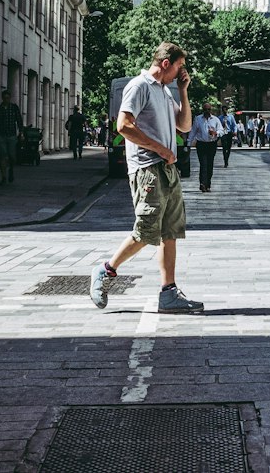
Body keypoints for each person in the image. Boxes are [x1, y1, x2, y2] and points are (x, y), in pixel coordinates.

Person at [89, 42, 202, 315]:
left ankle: (169, 293)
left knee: (170, 232)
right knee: (146, 231)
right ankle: (105, 271)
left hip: (167, 170)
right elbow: (124, 125)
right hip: (148, 169)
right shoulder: (139, 86)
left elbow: (184, 125)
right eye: (179, 67)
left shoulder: (164, 92)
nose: (181, 72)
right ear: (166, 64)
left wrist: (184, 92)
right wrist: (160, 148)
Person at [0, 89, 23, 186]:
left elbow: (19, 120)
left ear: (10, 98)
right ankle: (3, 176)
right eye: (4, 98)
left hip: (12, 135)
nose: (6, 99)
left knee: (12, 156)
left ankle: (11, 168)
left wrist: (21, 133)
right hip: (1, 136)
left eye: (8, 98)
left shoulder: (14, 108)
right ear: (2, 98)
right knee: (2, 156)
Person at [189, 101, 223, 191]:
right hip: (201, 144)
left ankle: (208, 184)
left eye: (208, 109)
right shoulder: (198, 119)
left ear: (211, 110)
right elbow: (193, 131)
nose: (207, 111)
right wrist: (188, 143)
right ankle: (202, 183)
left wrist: (216, 133)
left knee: (210, 164)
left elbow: (222, 131)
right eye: (205, 109)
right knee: (203, 164)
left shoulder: (215, 120)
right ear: (203, 110)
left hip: (212, 144)